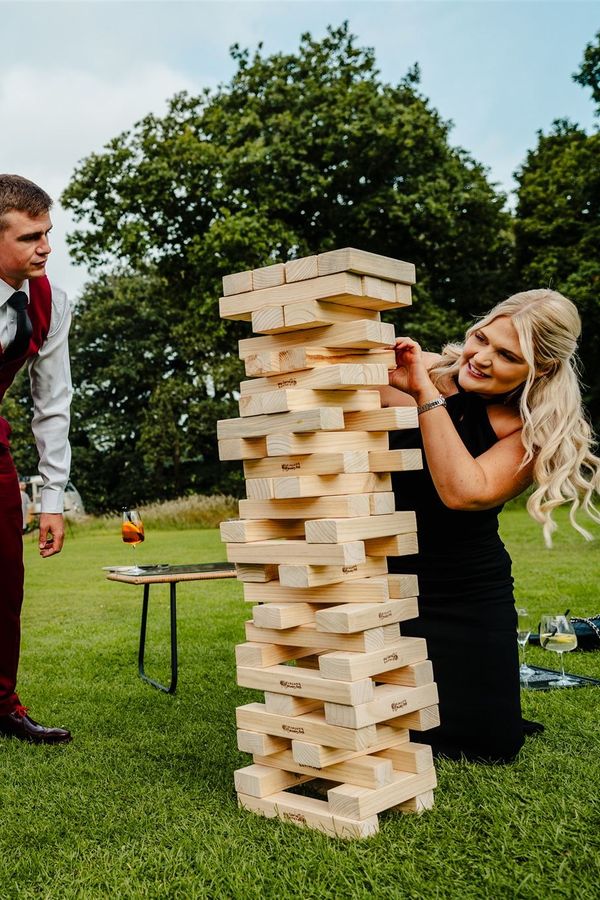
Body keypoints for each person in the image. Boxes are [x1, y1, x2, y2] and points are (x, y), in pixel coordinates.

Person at [381, 289, 600, 763]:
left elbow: (464, 493)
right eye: (482, 338)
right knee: (378, 718)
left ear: (540, 369)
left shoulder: (533, 429)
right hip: (381, 582)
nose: (480, 358)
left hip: (461, 594)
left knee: (484, 743)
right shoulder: (431, 370)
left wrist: (424, 394)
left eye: (506, 355)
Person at [0, 174, 72, 744]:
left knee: (5, 577)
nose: (45, 247)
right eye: (29, 237)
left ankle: (1, 704)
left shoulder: (53, 301)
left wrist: (52, 499)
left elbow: (51, 404)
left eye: (47, 233)